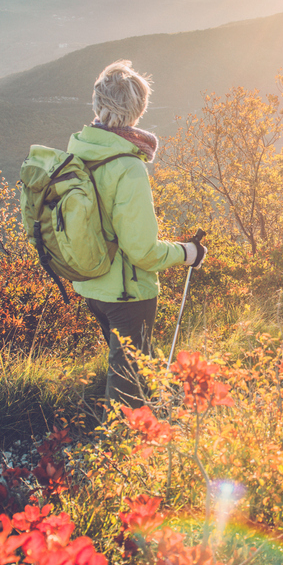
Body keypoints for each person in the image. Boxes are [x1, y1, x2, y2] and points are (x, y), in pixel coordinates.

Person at [68, 60, 206, 407]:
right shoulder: (128, 166)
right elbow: (142, 251)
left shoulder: (79, 152)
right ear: (138, 109)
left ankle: (160, 413)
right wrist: (188, 253)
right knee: (127, 388)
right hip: (126, 293)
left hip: (91, 285)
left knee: (135, 366)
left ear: (98, 102)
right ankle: (122, 437)